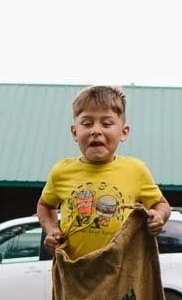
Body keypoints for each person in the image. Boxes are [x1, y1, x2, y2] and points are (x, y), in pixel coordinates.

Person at [40, 85, 170, 255]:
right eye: (87, 123)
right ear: (74, 132)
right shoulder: (61, 172)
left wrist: (159, 216)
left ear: (123, 132)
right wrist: (52, 230)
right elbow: (44, 205)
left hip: (122, 271)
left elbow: (161, 204)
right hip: (74, 272)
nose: (95, 131)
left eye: (107, 123)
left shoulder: (135, 170)